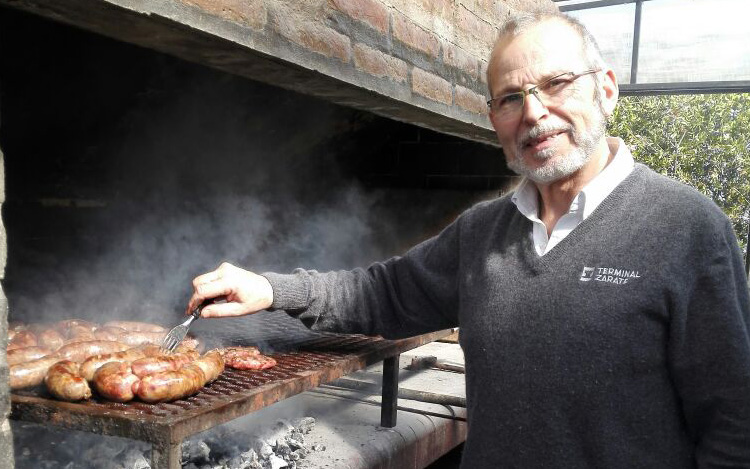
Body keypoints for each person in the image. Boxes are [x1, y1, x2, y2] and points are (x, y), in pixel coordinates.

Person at [186, 10, 750, 468]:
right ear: (493, 117)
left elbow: (733, 421)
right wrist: (271, 288)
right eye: (510, 98)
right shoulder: (482, 230)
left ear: (606, 89)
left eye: (555, 83)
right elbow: (383, 291)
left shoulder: (687, 229)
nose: (533, 112)